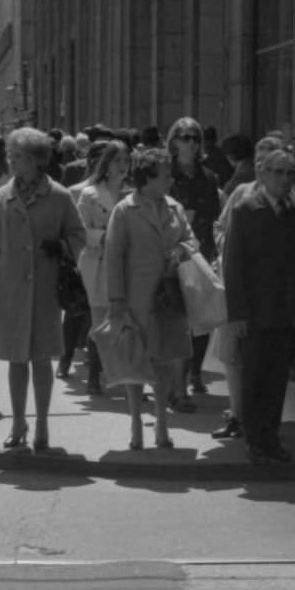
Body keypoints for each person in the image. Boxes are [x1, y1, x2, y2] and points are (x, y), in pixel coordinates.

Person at [0, 126, 85, 452]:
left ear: (36, 159)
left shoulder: (60, 196)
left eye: (17, 157)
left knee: (42, 360)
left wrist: (61, 247)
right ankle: (18, 423)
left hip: (46, 293)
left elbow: (79, 236)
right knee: (16, 360)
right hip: (9, 293)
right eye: (10, 156)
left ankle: (43, 425)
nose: (11, 162)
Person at [222, 145, 295, 464]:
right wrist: (236, 313)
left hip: (288, 311)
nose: (284, 179)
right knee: (254, 377)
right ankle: (254, 439)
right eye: (278, 172)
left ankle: (271, 436)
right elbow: (233, 265)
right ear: (263, 173)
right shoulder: (246, 210)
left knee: (278, 378)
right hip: (255, 310)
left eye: (290, 173)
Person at [104, 144, 198, 450]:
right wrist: (116, 301)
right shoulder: (125, 210)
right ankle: (134, 423)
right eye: (165, 174)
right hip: (136, 299)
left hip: (168, 298)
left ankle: (161, 422)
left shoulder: (175, 207)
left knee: (163, 361)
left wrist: (181, 250)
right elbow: (113, 257)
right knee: (135, 361)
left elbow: (192, 240)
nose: (170, 180)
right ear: (147, 177)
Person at [166, 116, 222, 403]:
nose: (190, 143)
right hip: (172, 254)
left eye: (195, 138)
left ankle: (195, 371)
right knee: (176, 317)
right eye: (185, 137)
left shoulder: (209, 177)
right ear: (174, 141)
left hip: (201, 253)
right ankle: (177, 381)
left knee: (201, 316)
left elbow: (214, 216)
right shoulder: (166, 174)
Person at [75, 138, 130, 396]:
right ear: (106, 165)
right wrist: (104, 236)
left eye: (126, 161)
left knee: (124, 321)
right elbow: (79, 232)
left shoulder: (133, 194)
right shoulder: (90, 194)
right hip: (98, 264)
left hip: (127, 266)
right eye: (117, 161)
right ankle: (96, 374)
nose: (122, 166)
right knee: (100, 322)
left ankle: (120, 373)